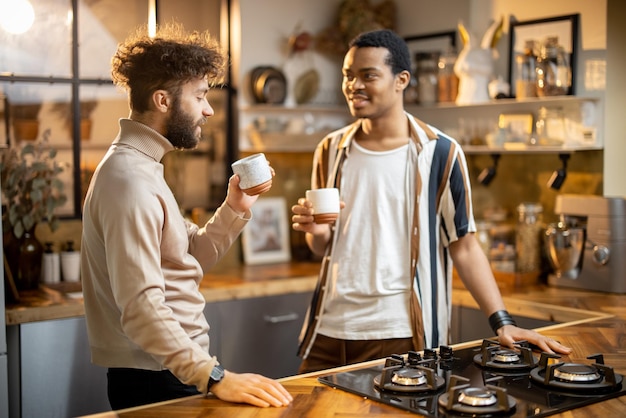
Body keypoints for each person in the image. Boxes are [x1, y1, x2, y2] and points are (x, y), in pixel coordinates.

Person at [291, 29, 572, 374]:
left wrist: (503, 322)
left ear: (401, 80)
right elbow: (322, 246)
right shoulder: (330, 150)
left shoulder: (441, 153)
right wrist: (315, 230)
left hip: (401, 333)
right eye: (348, 75)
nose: (354, 85)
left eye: (368, 75)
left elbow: (464, 246)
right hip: (330, 329)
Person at [81, 23, 292, 410]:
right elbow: (142, 306)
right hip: (158, 376)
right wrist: (214, 377)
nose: (208, 109)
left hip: (174, 369)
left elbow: (185, 258)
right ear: (163, 101)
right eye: (199, 96)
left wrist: (234, 208)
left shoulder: (144, 167)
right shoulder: (129, 180)